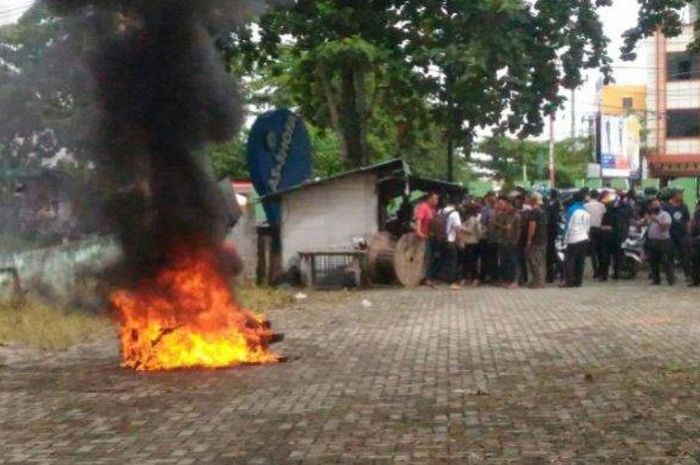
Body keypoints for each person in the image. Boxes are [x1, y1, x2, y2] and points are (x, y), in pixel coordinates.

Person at [562, 191, 591, 288]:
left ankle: (569, 282)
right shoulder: (585, 210)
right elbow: (587, 226)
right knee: (580, 261)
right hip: (584, 238)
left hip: (573, 238)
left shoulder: (571, 210)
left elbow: (568, 226)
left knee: (570, 260)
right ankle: (578, 282)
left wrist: (564, 238)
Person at [493, 197, 521, 289]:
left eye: (508, 205)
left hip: (513, 242)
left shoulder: (516, 216)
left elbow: (509, 228)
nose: (507, 207)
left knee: (514, 262)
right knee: (505, 262)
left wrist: (498, 224)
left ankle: (515, 281)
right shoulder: (506, 215)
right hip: (505, 241)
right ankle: (507, 280)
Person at [646, 198, 675, 286]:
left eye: (656, 205)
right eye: (653, 205)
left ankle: (670, 280)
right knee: (653, 261)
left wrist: (656, 220)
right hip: (652, 241)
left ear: (660, 206)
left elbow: (665, 228)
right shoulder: (651, 215)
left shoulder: (665, 215)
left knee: (666, 261)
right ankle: (656, 280)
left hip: (663, 241)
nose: (654, 207)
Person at [415, 191, 440, 287]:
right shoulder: (423, 207)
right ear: (429, 199)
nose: (436, 201)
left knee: (431, 257)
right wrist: (419, 231)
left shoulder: (432, 209)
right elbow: (419, 219)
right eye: (435, 199)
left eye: (437, 199)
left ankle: (427, 278)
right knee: (427, 257)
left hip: (431, 236)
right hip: (424, 236)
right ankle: (426, 278)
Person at [664, 189, 691, 275]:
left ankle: (688, 274)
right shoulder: (667, 206)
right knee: (670, 255)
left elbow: (687, 220)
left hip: (682, 235)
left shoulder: (684, 206)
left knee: (685, 255)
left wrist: (688, 233)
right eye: (679, 194)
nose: (681, 195)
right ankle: (671, 276)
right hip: (670, 235)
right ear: (674, 195)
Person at [526, 192, 548, 288]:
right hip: (543, 238)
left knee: (534, 261)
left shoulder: (533, 212)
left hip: (536, 240)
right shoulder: (542, 211)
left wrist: (529, 239)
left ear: (533, 200)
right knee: (541, 261)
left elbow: (532, 226)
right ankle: (541, 281)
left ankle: (538, 282)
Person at [457, 201, 481, 286]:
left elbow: (470, 231)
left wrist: (460, 227)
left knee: (472, 261)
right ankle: (466, 277)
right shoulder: (467, 219)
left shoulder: (472, 219)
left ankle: (475, 278)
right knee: (465, 261)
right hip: (467, 242)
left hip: (472, 242)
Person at [442, 196, 463, 289]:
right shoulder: (455, 214)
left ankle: (444, 279)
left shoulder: (441, 211)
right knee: (453, 261)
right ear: (456, 204)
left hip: (442, 239)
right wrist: (460, 242)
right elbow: (457, 229)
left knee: (446, 260)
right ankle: (453, 282)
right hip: (451, 240)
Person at [479, 191, 500, 283]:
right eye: (491, 197)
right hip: (489, 236)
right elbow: (483, 223)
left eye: (494, 197)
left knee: (496, 257)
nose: (493, 199)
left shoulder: (499, 208)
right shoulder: (485, 209)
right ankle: (487, 276)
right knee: (488, 257)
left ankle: (495, 276)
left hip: (498, 236)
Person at [585, 189, 606, 278]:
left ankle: (595, 271)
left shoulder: (585, 206)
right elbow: (604, 217)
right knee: (601, 250)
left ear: (590, 195)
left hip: (590, 230)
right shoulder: (602, 206)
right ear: (597, 196)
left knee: (593, 252)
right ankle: (601, 270)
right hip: (600, 229)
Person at [546, 189, 561, 283]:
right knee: (553, 253)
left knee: (551, 254)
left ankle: (552, 274)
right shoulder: (557, 204)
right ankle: (555, 272)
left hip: (551, 232)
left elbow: (552, 219)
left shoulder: (552, 205)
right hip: (554, 231)